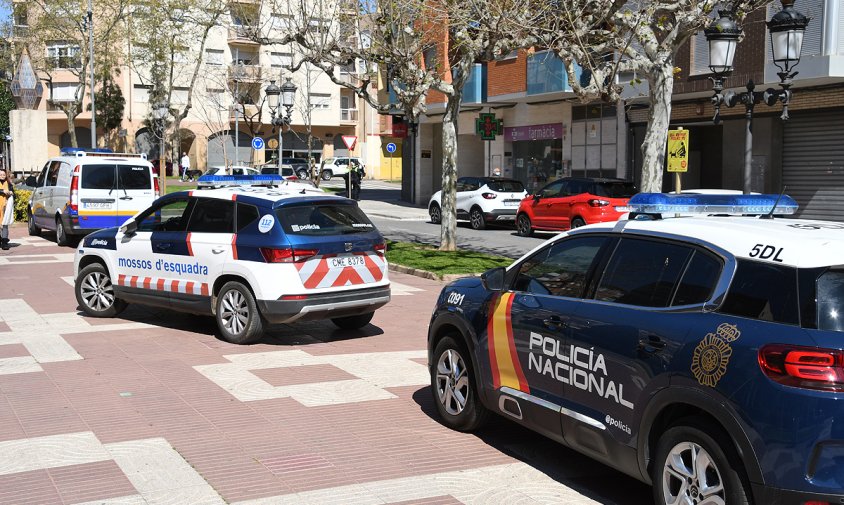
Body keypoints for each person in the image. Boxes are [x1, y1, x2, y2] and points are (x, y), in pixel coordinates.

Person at [0, 169, 14, 250]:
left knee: (5, 224)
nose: (2, 176)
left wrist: (11, 192)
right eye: (0, 174)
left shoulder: (8, 183)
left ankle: (4, 241)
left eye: (3, 174)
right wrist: (2, 191)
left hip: (5, 206)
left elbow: (12, 192)